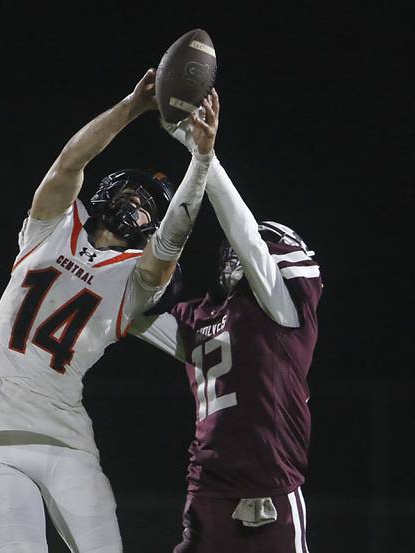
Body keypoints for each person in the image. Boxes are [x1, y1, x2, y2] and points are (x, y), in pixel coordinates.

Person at [0, 65, 220, 553]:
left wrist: (202, 160)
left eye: (150, 202)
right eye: (131, 189)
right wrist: (131, 106)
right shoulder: (54, 226)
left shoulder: (136, 279)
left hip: (67, 437)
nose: (137, 201)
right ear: (106, 192)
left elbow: (172, 242)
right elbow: (68, 164)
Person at [130, 90, 321, 553]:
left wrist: (204, 156)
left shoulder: (279, 311)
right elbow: (128, 315)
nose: (237, 253)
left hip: (270, 491)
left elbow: (244, 232)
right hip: (209, 490)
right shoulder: (201, 315)